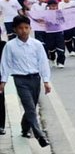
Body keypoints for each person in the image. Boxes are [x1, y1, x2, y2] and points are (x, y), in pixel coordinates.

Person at [0, 15, 51, 147]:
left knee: (31, 107)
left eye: (26, 28)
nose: (24, 31)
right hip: (20, 80)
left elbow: (43, 63)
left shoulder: (37, 44)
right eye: (20, 28)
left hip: (35, 78)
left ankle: (24, 128)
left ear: (30, 28)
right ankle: (39, 134)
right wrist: (3, 81)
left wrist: (46, 80)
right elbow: (5, 64)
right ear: (15, 30)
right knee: (29, 106)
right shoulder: (10, 46)